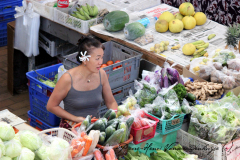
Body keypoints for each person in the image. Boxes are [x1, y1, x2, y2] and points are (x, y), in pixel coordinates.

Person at [47, 37, 118, 130]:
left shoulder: (102, 74)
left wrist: (117, 118)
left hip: (94, 128)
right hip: (72, 128)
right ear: (84, 59)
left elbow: (111, 102)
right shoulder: (67, 79)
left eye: (102, 57)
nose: (101, 62)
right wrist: (76, 119)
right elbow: (51, 106)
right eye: (97, 58)